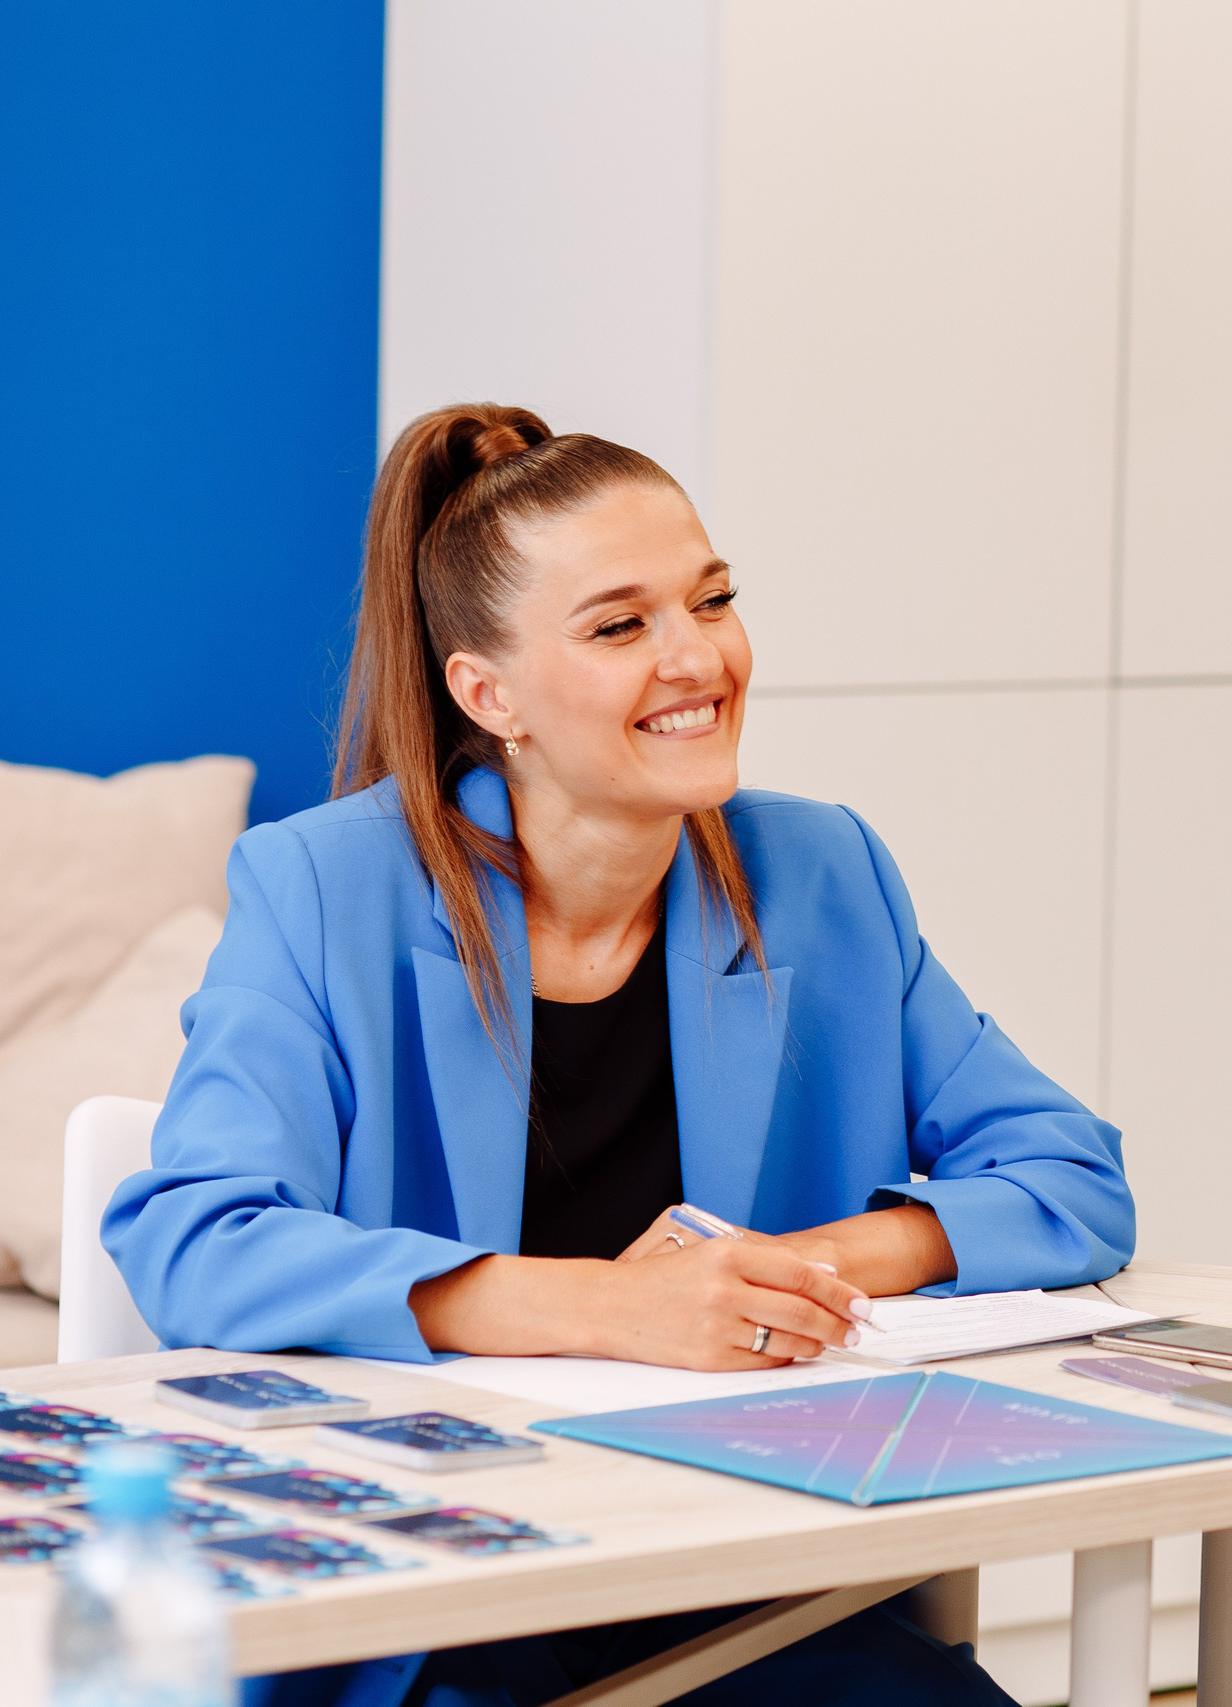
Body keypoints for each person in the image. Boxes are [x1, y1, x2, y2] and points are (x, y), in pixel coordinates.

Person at [105, 404, 1131, 1707]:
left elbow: (1071, 1176)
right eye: (620, 626)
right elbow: (198, 1240)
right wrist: (609, 1305)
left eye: (712, 600)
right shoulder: (325, 889)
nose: (698, 656)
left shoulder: (823, 871)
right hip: (449, 1596)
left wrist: (783, 1275)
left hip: (744, 1580)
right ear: (489, 693)